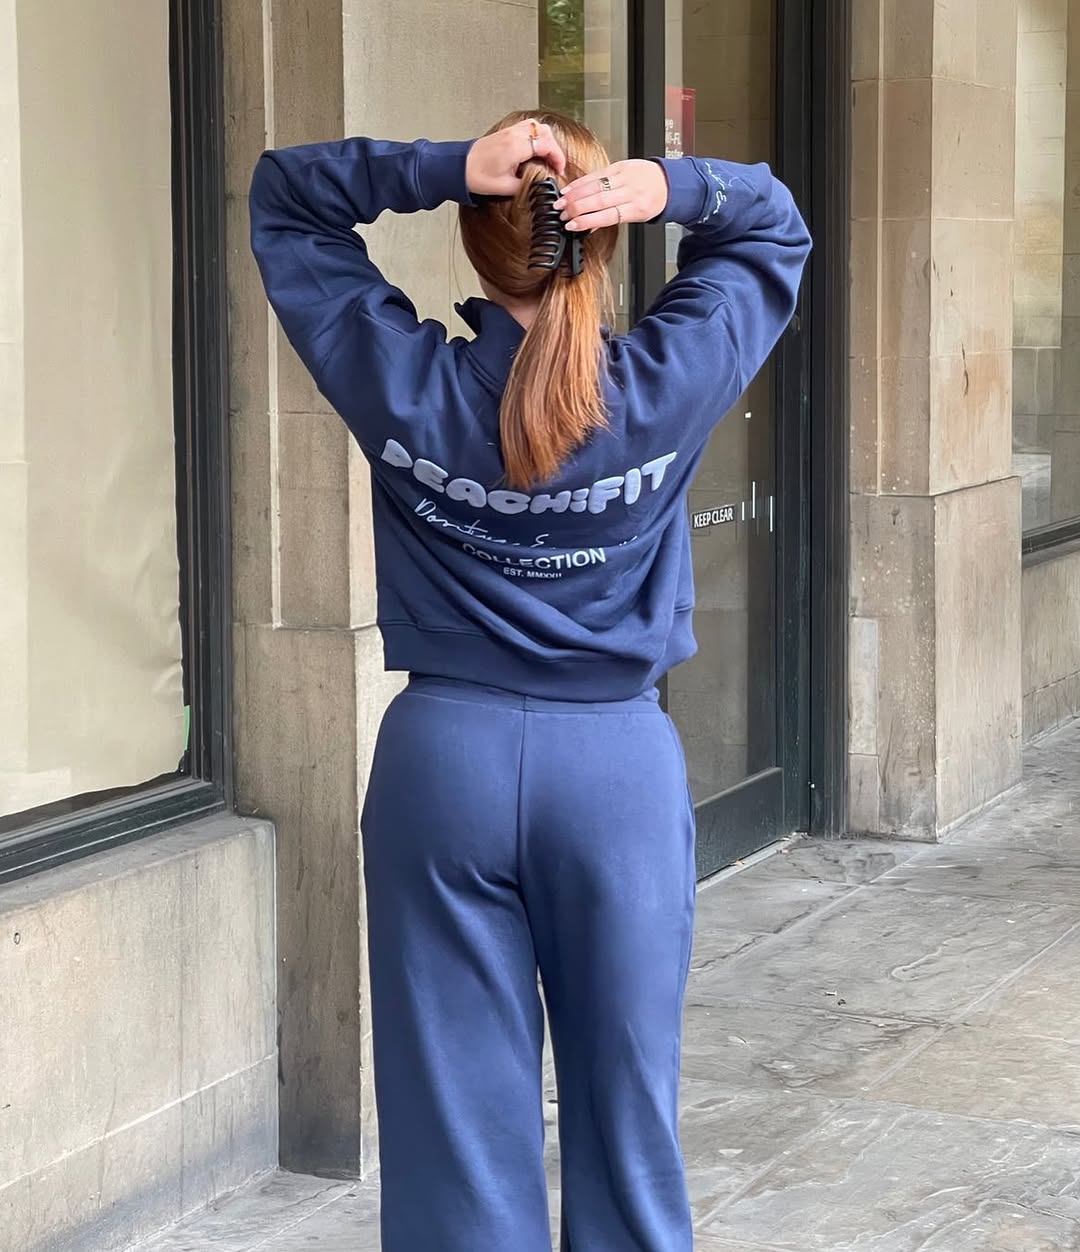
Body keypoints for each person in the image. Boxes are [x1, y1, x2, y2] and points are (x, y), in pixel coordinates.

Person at [250, 110, 810, 1252]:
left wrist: (441, 166)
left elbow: (287, 202)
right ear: (601, 238)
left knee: (454, 1127)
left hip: (443, 765)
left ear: (475, 236)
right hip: (613, 769)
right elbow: (773, 232)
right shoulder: (664, 382)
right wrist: (674, 189)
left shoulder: (406, 382)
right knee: (627, 1111)